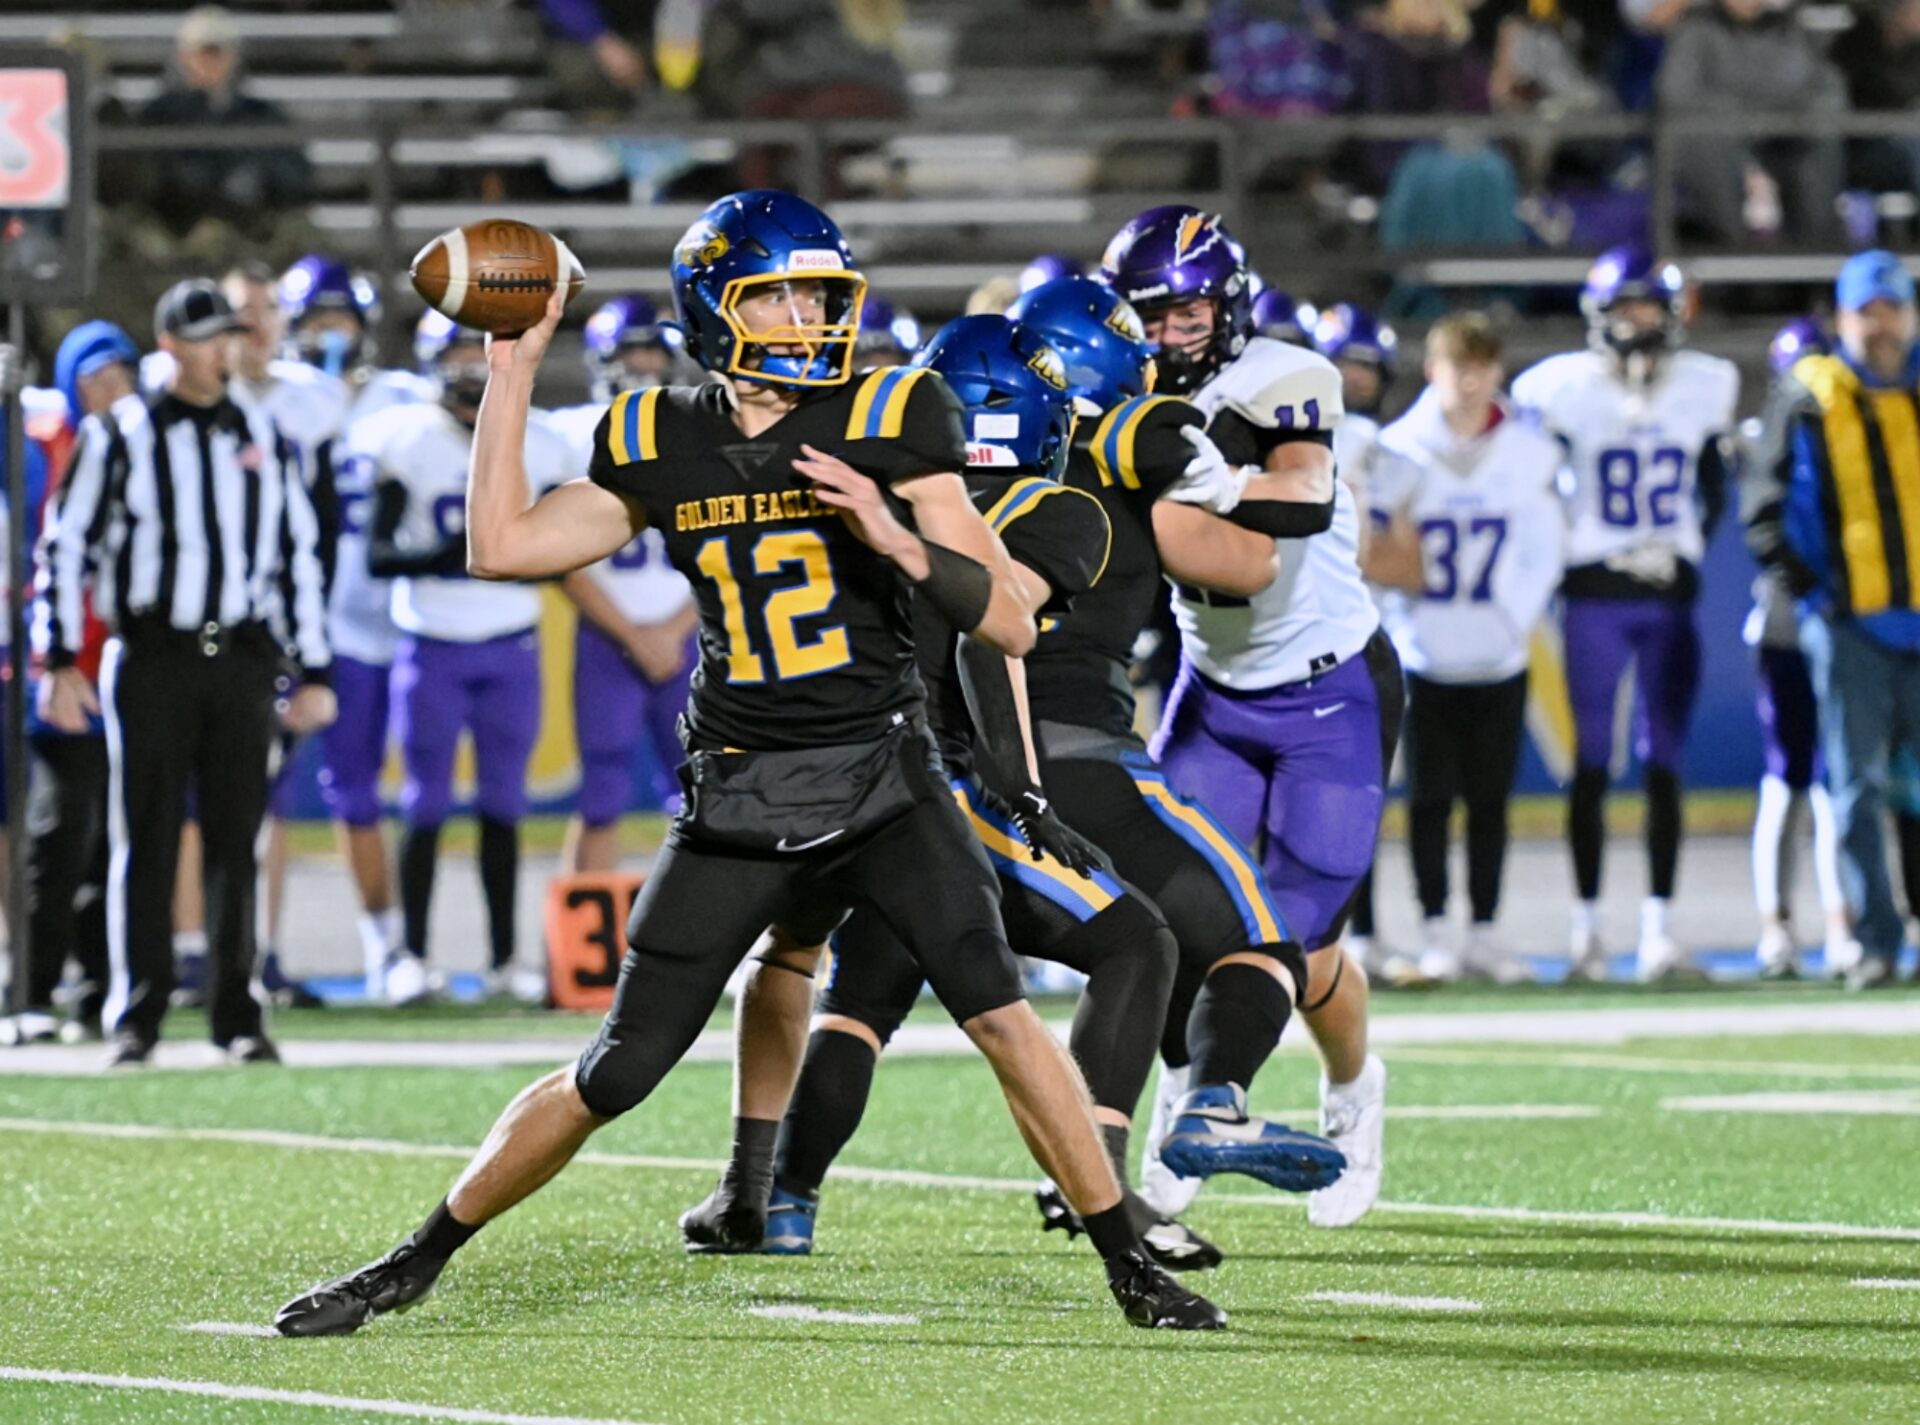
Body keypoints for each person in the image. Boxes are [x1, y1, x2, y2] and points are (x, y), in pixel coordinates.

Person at [272, 191, 1224, 1336]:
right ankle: (410, 1264)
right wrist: (514, 369)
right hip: (739, 787)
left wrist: (892, 533)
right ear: (715, 307)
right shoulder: (653, 432)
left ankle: (1128, 1265)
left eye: (817, 290)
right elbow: (501, 546)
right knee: (618, 1070)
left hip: (886, 779)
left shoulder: (890, 410)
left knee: (1000, 1012)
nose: (804, 313)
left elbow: (1009, 623)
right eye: (774, 290)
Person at [680, 313, 1230, 1269]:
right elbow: (989, 633)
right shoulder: (1053, 511)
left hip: (823, 770)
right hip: (933, 782)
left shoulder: (875, 487)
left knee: (856, 990)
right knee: (1135, 940)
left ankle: (775, 1195)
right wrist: (1021, 791)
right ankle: (1093, 1175)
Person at [1102, 207, 1394, 1230]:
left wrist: (1204, 476)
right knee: (1178, 924)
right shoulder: (1123, 385)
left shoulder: (1284, 373)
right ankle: (1191, 1101)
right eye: (1152, 313)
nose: (1172, 331)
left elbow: (1302, 495)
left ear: (1227, 304)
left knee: (1299, 945)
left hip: (1331, 690)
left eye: (1188, 309)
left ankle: (1355, 1094)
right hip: (1215, 690)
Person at [37, 279, 335, 1067]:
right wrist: (61, 654)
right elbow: (67, 545)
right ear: (170, 344)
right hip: (153, 654)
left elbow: (296, 554)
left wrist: (312, 665)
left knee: (239, 837)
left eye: (230, 333)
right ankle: (138, 1011)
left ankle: (238, 1012)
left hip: (241, 656)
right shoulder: (121, 434)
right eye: (208, 335)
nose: (224, 349)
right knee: (148, 835)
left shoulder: (264, 432)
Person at [1513, 246, 1738, 982]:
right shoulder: (1557, 387)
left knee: (1666, 764)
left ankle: (1660, 931)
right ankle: (1586, 932)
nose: (1636, 322)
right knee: (1591, 765)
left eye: (1647, 307)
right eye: (1624, 309)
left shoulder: (1707, 385)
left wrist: (1683, 550)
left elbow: (1712, 489)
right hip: (1595, 595)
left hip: (1669, 595)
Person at [355, 312, 575, 1004]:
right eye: (454, 352)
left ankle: (506, 958)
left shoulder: (540, 442)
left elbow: (561, 549)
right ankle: (411, 956)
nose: (468, 367)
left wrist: (511, 556)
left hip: (510, 639)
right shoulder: (407, 440)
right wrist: (457, 555)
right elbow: (381, 554)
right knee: (425, 803)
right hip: (432, 640)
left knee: (504, 804)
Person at [1367, 314, 1565, 981]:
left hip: (1498, 652)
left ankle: (1484, 928)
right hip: (1424, 649)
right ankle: (1436, 929)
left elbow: (1545, 545)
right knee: (1428, 798)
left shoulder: (1527, 447)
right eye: (1461, 366)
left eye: (1484, 366)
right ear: (1434, 370)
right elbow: (1371, 548)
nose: (1473, 380)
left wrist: (1515, 619)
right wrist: (1395, 609)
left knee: (1489, 800)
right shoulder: (1400, 448)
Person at [1746, 250, 1920, 992]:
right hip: (1851, 628)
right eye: (1866, 310)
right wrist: (1819, 597)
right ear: (1843, 316)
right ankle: (1876, 939)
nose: (1879, 325)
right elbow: (1763, 512)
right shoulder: (1811, 393)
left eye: (1891, 308)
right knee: (1854, 789)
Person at [282, 255, 421, 994]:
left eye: (338, 321)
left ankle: (413, 946)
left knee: (427, 790)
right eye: (313, 322)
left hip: (410, 618)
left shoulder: (404, 398)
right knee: (351, 788)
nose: (327, 336)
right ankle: (380, 943)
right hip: (322, 624)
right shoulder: (279, 400)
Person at [222, 261, 353, 1007]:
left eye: (269, 311)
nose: (260, 326)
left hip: (284, 624)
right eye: (245, 313)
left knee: (265, 798)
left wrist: (312, 650)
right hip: (213, 621)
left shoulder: (314, 402)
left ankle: (257, 951)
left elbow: (325, 532)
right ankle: (200, 951)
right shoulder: (191, 400)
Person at [539, 296, 699, 871]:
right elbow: (558, 556)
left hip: (687, 634)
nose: (642, 368)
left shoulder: (700, 430)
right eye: (630, 354)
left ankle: (698, 939)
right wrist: (635, 633)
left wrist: (676, 628)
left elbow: (724, 551)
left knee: (700, 793)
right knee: (601, 795)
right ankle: (583, 954)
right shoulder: (569, 435)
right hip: (608, 634)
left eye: (653, 355)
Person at [11, 324, 138, 1044]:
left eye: (120, 374)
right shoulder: (41, 441)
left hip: (128, 662)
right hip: (61, 666)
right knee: (58, 834)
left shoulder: (149, 442)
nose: (109, 389)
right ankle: (31, 988)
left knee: (109, 842)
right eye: (95, 376)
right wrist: (48, 663)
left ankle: (95, 991)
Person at [1744, 318, 1849, 980]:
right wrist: (1817, 588)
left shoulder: (1855, 428)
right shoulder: (1768, 437)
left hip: (1844, 620)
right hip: (1793, 618)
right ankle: (1777, 924)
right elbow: (1762, 526)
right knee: (1791, 776)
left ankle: (1843, 921)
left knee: (1841, 780)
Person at [1311, 301, 1399, 968]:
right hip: (1298, 636)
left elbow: (1402, 555)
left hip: (1365, 633)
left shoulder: (1386, 447)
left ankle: (1352, 933)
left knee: (1354, 798)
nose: (1356, 380)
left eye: (1366, 368)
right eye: (1345, 365)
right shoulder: (1290, 433)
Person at [1656, 0, 1845, 247]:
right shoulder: (1697, 25)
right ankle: (1733, 245)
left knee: (1820, 143)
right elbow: (1675, 93)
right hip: (1718, 134)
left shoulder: (1787, 26)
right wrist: (1739, 115)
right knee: (1706, 148)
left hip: (1780, 131)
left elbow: (1823, 86)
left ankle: (1815, 252)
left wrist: (1794, 115)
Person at [137, 7, 313, 245]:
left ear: (234, 57)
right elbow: (143, 180)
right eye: (202, 53)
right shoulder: (157, 115)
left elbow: (295, 175)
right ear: (183, 56)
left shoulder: (261, 114)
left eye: (218, 53)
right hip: (175, 234)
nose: (210, 62)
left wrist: (258, 174)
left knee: (303, 233)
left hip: (251, 230)